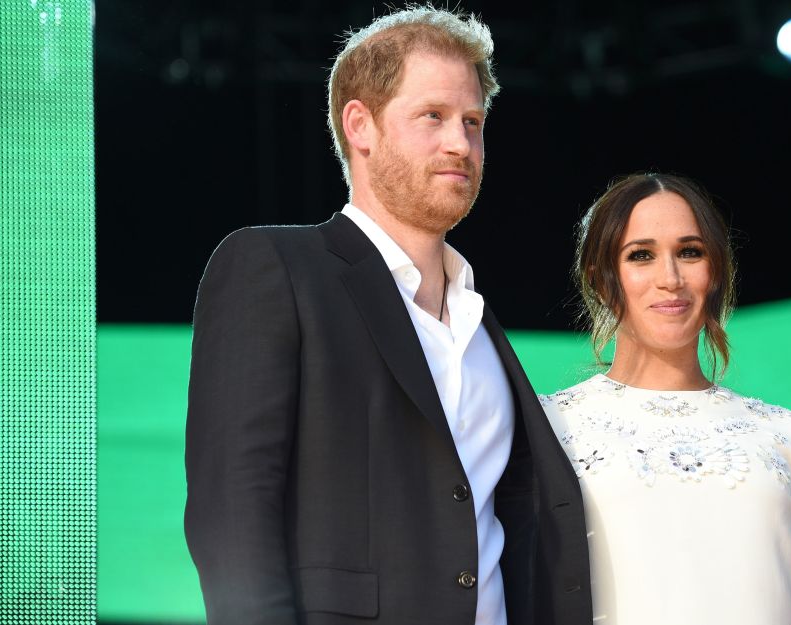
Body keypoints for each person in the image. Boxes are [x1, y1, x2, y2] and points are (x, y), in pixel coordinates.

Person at [184, 8, 592, 625]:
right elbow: (231, 510)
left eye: (473, 122)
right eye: (433, 115)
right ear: (360, 125)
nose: (461, 143)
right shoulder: (275, 266)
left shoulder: (481, 323)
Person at [541, 173, 791, 624]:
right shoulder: (546, 428)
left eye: (689, 252)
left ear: (715, 273)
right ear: (602, 280)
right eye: (641, 256)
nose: (670, 278)